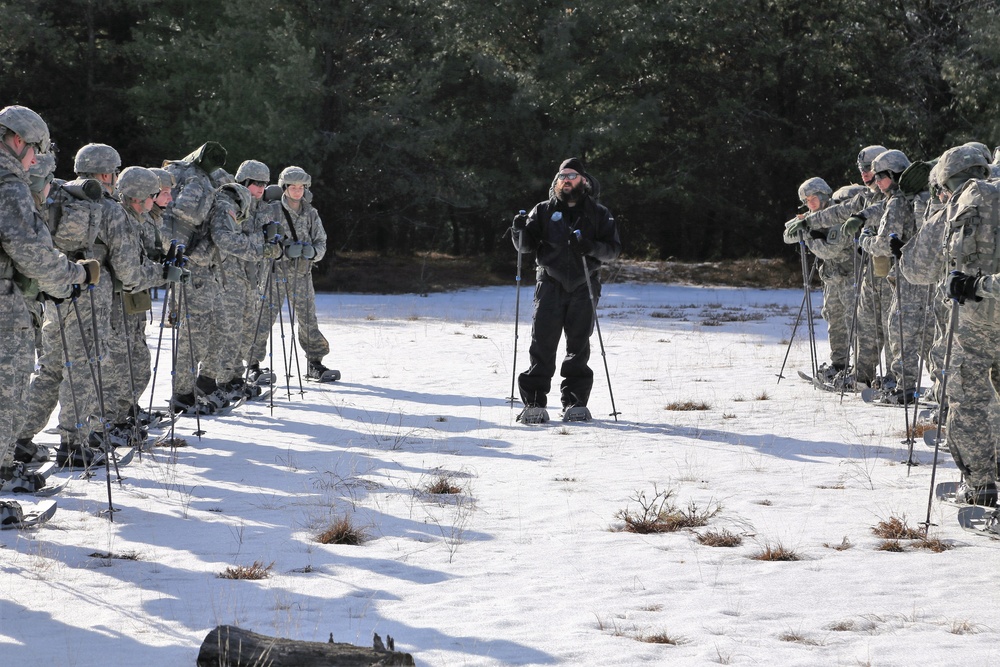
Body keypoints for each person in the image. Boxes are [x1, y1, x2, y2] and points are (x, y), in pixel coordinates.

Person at [0, 105, 98, 491]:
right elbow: (31, 251)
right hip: (6, 308)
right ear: (18, 141)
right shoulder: (9, 185)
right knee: (6, 396)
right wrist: (75, 276)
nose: (36, 160)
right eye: (35, 150)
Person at [907, 145, 998, 505]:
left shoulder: (956, 207)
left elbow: (915, 269)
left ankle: (981, 486)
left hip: (975, 322)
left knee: (970, 401)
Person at [511, 158, 621, 423]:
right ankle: (535, 403)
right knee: (542, 343)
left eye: (572, 175)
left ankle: (575, 403)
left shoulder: (599, 213)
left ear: (583, 180)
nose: (566, 180)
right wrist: (518, 230)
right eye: (562, 176)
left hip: (586, 283)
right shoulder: (544, 210)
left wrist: (590, 246)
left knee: (579, 345)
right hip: (549, 283)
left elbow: (613, 250)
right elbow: (525, 246)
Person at [782, 177, 854, 384]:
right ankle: (839, 364)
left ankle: (862, 369)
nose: (810, 204)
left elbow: (829, 249)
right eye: (806, 201)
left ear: (823, 196)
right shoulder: (812, 217)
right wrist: (803, 225)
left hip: (850, 277)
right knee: (835, 320)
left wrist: (809, 234)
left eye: (813, 198)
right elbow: (788, 235)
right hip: (831, 278)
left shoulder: (837, 215)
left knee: (855, 322)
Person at [270, 165, 335, 382]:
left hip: (302, 274)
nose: (297, 191)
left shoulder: (310, 213)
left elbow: (321, 241)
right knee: (263, 319)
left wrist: (314, 252)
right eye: (292, 187)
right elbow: (262, 242)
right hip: (275, 274)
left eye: (301, 187)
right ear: (284, 188)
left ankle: (315, 362)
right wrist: (283, 251)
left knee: (308, 319)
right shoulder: (272, 211)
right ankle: (252, 363)